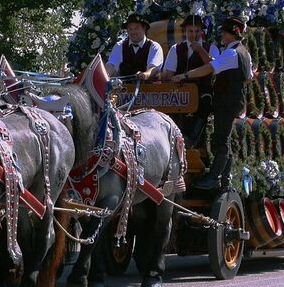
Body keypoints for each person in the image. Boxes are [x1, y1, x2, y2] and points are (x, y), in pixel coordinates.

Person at [174, 16, 252, 190]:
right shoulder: (243, 52)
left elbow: (210, 68)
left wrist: (185, 75)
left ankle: (215, 177)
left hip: (227, 100)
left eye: (224, 33)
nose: (222, 36)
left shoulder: (232, 53)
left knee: (221, 140)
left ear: (232, 34)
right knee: (225, 138)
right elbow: (248, 78)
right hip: (233, 99)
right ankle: (225, 179)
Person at [163, 15, 219, 147]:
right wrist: (171, 77)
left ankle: (192, 138)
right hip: (180, 89)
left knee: (205, 102)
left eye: (197, 31)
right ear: (185, 31)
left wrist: (200, 50)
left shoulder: (210, 48)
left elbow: (214, 68)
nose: (194, 34)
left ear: (202, 32)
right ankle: (172, 140)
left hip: (202, 88)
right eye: (190, 31)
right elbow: (169, 73)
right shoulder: (176, 49)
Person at [105, 13, 164, 81]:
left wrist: (145, 75)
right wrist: (105, 75)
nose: (133, 32)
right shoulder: (120, 46)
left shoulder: (154, 47)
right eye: (130, 29)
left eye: (136, 28)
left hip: (149, 89)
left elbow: (154, 68)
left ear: (144, 29)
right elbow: (112, 65)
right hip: (124, 88)